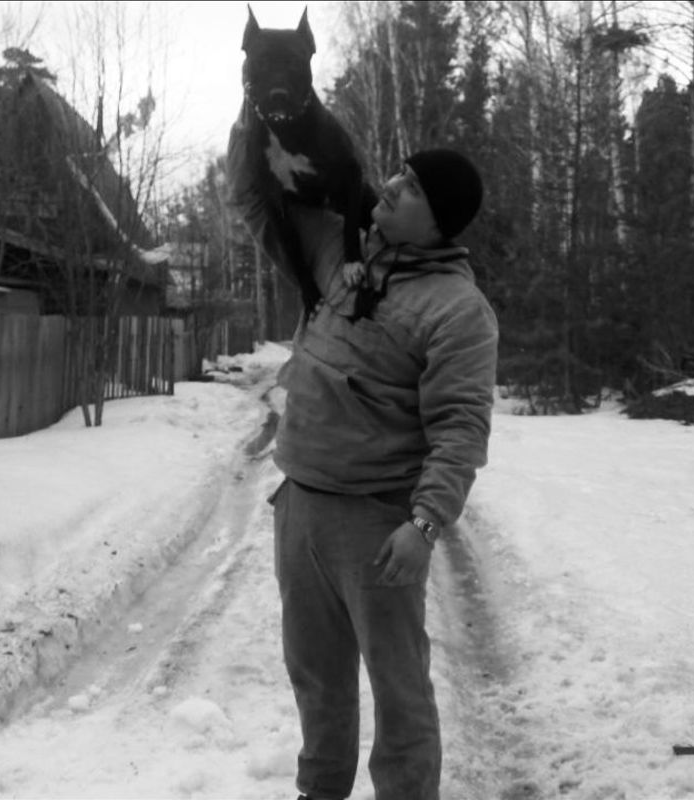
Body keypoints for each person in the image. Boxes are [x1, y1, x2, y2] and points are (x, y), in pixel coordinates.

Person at [227, 108, 499, 800]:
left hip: (377, 525)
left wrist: (427, 523)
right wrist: (250, 111)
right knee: (315, 677)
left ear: (437, 222)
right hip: (302, 507)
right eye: (398, 173)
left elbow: (460, 429)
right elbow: (254, 201)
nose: (390, 186)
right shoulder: (337, 255)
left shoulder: (457, 311)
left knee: (398, 689)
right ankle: (320, 791)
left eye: (409, 187)